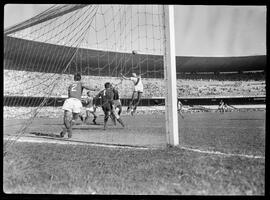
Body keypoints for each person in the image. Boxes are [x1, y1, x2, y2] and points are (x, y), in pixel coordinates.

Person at [60, 73, 96, 138]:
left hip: (69, 101)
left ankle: (67, 130)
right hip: (77, 102)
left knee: (66, 119)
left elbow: (70, 94)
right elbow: (87, 87)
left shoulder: (70, 85)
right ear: (80, 79)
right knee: (74, 118)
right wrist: (94, 89)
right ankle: (69, 129)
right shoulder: (81, 83)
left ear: (74, 78)